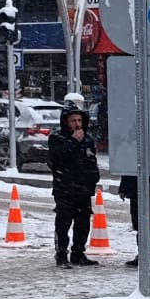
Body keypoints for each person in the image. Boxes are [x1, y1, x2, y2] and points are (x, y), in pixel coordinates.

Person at [46, 104, 101, 267]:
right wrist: (73, 142)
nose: (77, 124)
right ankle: (61, 254)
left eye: (79, 120)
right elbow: (56, 160)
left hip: (83, 188)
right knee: (63, 222)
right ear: (66, 122)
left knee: (83, 223)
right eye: (73, 121)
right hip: (65, 188)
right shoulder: (58, 138)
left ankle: (78, 252)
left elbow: (91, 160)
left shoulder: (88, 139)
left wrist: (92, 179)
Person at [118, 170, 150, 267]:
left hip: (146, 189)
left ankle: (146, 256)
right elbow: (127, 168)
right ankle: (143, 255)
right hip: (137, 189)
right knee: (140, 225)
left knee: (146, 224)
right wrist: (123, 188)